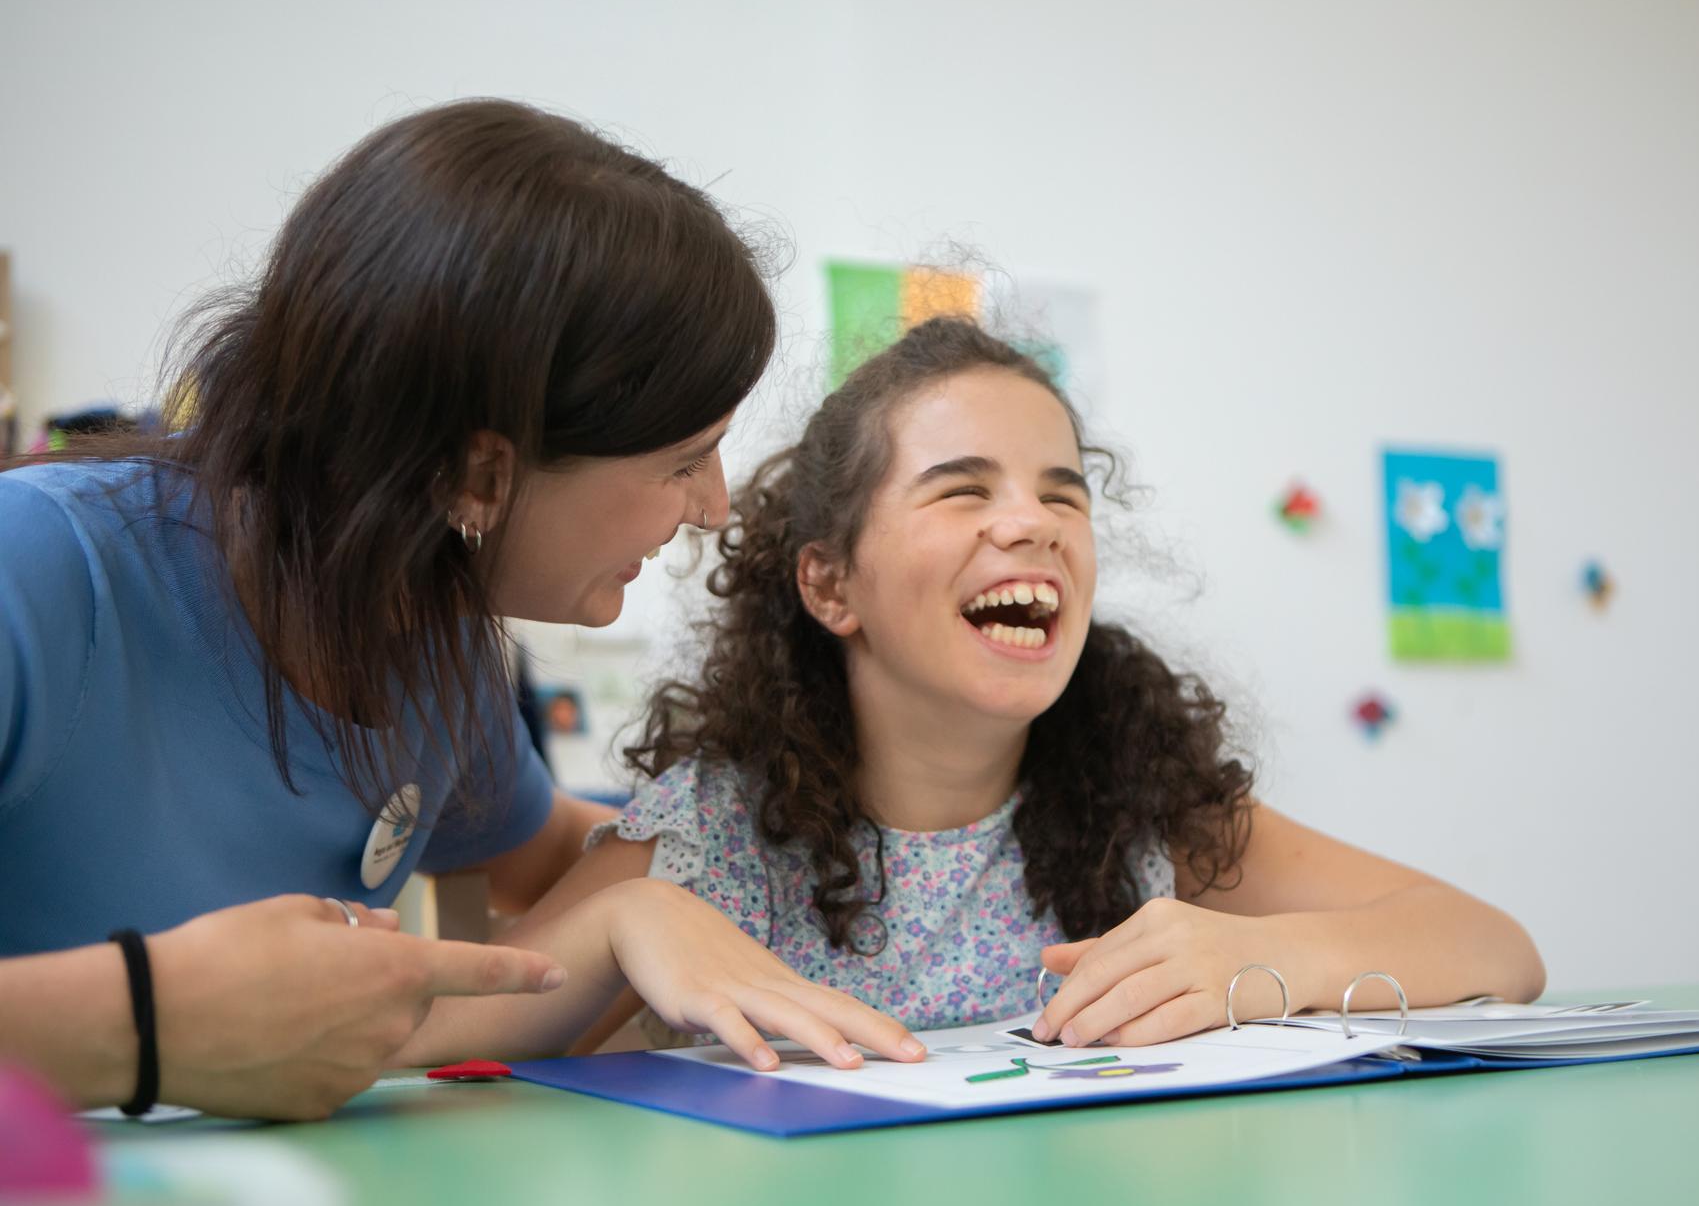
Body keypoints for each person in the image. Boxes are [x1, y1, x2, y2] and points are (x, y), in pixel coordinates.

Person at [0, 99, 919, 1121]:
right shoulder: (36, 570)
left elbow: (562, 856)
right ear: (477, 473)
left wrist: (888, 865)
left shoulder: (434, 652)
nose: (715, 505)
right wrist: (149, 1023)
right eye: (683, 460)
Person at [397, 316, 1544, 1070]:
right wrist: (616, 921)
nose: (1031, 521)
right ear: (830, 583)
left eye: (1062, 493)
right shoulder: (709, 839)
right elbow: (433, 1050)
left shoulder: (1149, 810)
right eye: (961, 490)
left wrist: (1269, 965)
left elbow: (1493, 943)